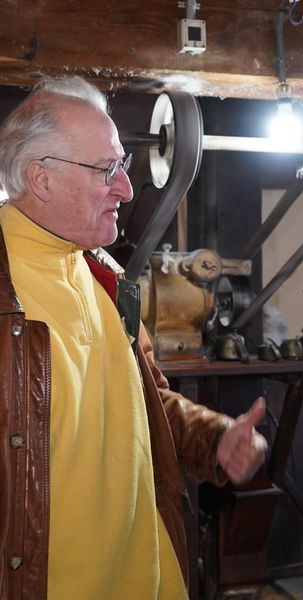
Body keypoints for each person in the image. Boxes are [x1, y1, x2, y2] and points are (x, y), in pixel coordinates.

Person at [0, 76, 268, 600]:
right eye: (107, 170)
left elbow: (142, 404)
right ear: (41, 179)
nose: (126, 187)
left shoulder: (105, 275)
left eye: (122, 165)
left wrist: (216, 437)